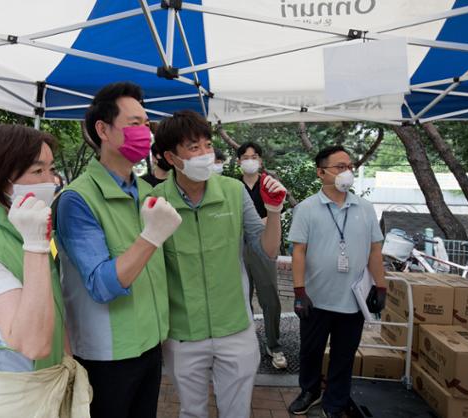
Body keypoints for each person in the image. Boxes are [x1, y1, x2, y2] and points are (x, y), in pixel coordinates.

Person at [54, 82, 181, 418]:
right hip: (106, 356)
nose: (145, 133)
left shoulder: (142, 189)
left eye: (146, 124)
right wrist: (151, 236)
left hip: (149, 344)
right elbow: (102, 285)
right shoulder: (77, 199)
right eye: (134, 123)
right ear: (103, 130)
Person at [0, 124, 91, 417]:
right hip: (11, 402)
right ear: (3, 180)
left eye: (51, 170)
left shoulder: (25, 233)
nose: (51, 181)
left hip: (45, 389)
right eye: (37, 171)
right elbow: (34, 343)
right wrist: (36, 245)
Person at [153, 110, 286, 418]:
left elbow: (266, 250)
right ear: (171, 157)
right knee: (192, 411)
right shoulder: (156, 200)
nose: (204, 154)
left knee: (237, 412)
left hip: (234, 327)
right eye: (193, 147)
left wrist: (274, 211)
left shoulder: (233, 190)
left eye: (207, 145)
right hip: (183, 331)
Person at [287, 145, 387, 418]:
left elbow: (375, 251)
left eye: (350, 167)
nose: (347, 172)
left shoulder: (365, 208)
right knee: (310, 351)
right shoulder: (307, 208)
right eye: (339, 167)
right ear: (321, 173)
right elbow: (299, 252)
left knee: (344, 355)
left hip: (353, 300)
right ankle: (309, 391)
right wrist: (299, 291)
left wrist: (381, 286)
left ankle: (335, 402)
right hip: (316, 297)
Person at [236, 141, 287, 369]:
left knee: (270, 299)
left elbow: (275, 215)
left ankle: (274, 345)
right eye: (245, 157)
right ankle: (241, 344)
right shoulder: (232, 187)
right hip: (237, 247)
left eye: (254, 156)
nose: (250, 160)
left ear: (260, 161)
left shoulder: (269, 184)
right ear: (238, 162)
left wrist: (256, 225)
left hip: (263, 247)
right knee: (240, 297)